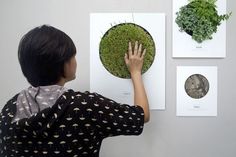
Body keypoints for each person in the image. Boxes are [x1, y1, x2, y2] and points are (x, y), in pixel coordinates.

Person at [0, 25, 150, 156]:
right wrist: (136, 72)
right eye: (72, 56)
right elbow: (141, 115)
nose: (74, 61)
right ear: (63, 64)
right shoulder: (84, 106)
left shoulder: (9, 109)